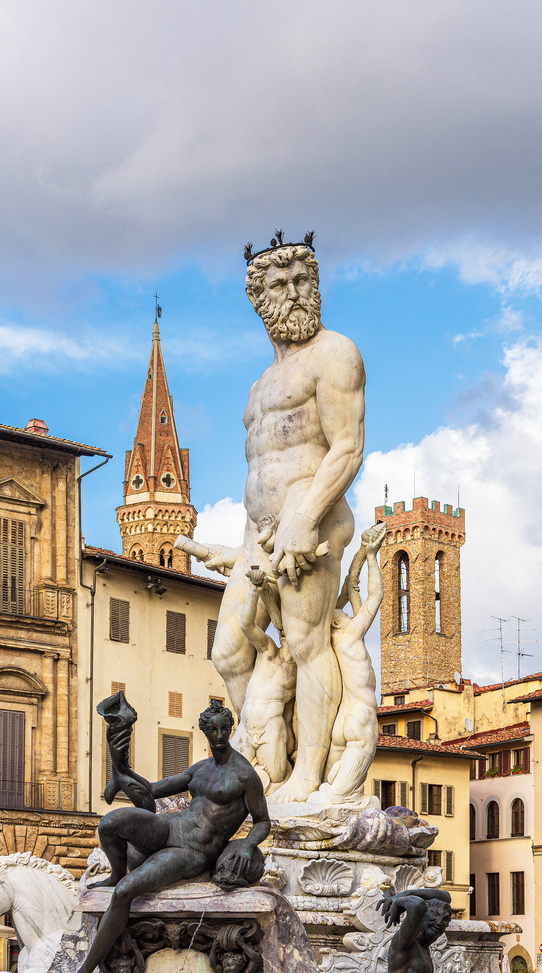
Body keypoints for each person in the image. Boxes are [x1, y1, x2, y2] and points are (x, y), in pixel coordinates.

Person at [211, 236, 366, 803]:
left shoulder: (335, 353)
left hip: (313, 520)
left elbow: (347, 446)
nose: (295, 293)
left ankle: (309, 775)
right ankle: (267, 756)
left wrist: (305, 515)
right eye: (280, 284)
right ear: (259, 297)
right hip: (259, 532)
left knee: (306, 643)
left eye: (303, 280)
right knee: (228, 650)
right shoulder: (258, 386)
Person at [77, 700, 270, 973]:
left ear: (230, 729)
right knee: (110, 823)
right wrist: (122, 768)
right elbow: (152, 791)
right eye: (213, 729)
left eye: (224, 729)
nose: (219, 735)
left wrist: (248, 844)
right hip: (169, 826)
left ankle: (85, 969)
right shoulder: (199, 769)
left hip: (192, 850)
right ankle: (117, 872)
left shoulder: (245, 776)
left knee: (123, 894)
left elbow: (263, 821)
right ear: (204, 731)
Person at [309, 522, 386, 805]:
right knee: (341, 797)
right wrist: (373, 556)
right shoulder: (352, 634)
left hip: (340, 720)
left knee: (327, 789)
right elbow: (375, 596)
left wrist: (361, 553)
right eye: (341, 611)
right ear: (337, 620)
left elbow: (352, 586)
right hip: (361, 716)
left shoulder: (330, 639)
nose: (346, 611)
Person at [233, 567, 297, 791]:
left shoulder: (301, 672)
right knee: (227, 776)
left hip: (272, 728)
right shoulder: (268, 650)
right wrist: (254, 591)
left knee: (277, 778)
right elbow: (247, 625)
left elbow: (292, 715)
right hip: (247, 726)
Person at [377, 888, 453, 973]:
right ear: (422, 916)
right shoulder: (407, 941)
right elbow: (417, 904)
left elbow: (446, 897)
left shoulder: (423, 947)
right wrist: (400, 899)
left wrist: (409, 893)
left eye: (445, 919)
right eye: (435, 914)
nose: (439, 922)